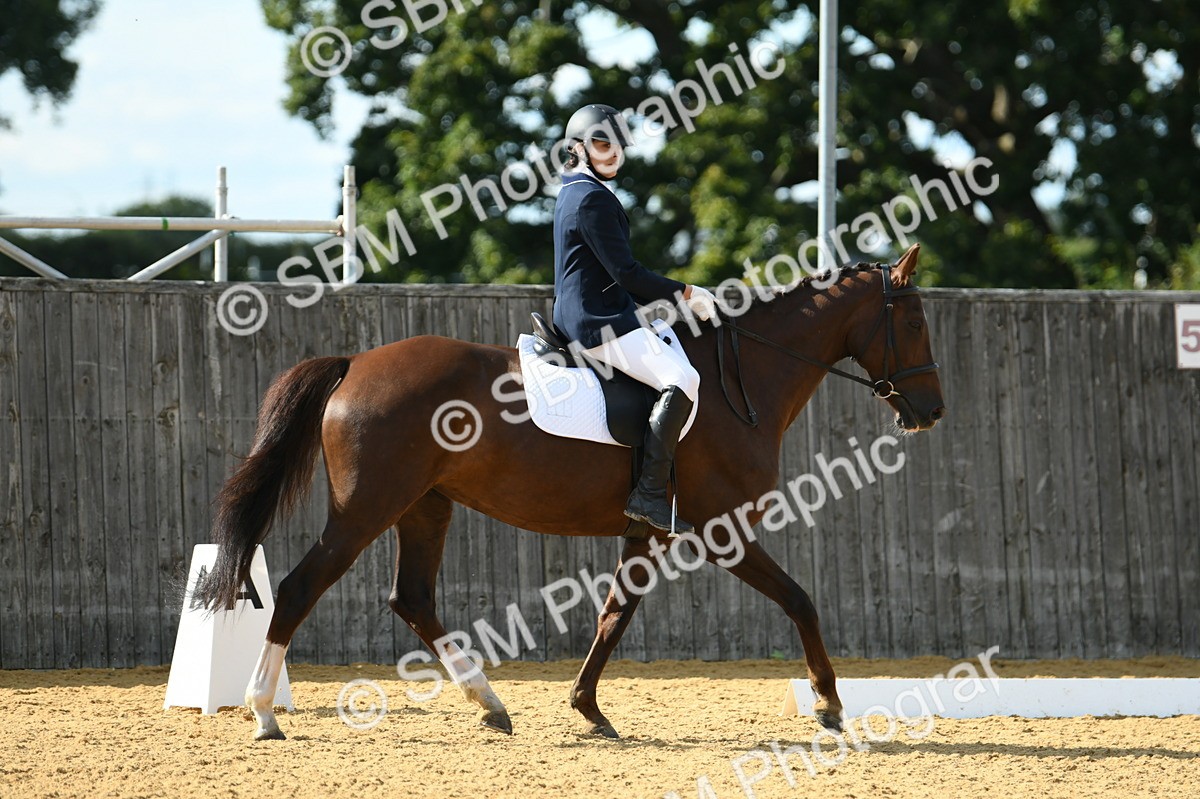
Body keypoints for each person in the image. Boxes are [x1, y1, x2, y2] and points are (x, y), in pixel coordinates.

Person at [552, 103, 718, 536]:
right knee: (683, 378)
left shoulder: (574, 191)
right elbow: (625, 272)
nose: (613, 154)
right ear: (577, 148)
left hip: (594, 311)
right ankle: (647, 495)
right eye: (602, 144)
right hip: (596, 321)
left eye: (619, 146)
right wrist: (686, 293)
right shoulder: (590, 199)